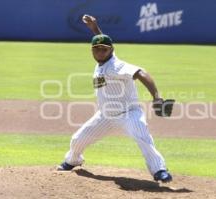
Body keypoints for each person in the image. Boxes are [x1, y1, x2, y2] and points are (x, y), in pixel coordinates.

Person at [57, 15, 174, 183]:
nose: (100, 51)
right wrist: (95, 28)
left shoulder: (116, 66)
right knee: (77, 140)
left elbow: (141, 73)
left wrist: (156, 96)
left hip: (129, 114)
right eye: (96, 49)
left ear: (111, 50)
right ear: (92, 50)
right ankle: (73, 160)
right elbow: (102, 41)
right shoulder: (103, 61)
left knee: (142, 136)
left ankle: (159, 169)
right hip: (105, 116)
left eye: (104, 49)